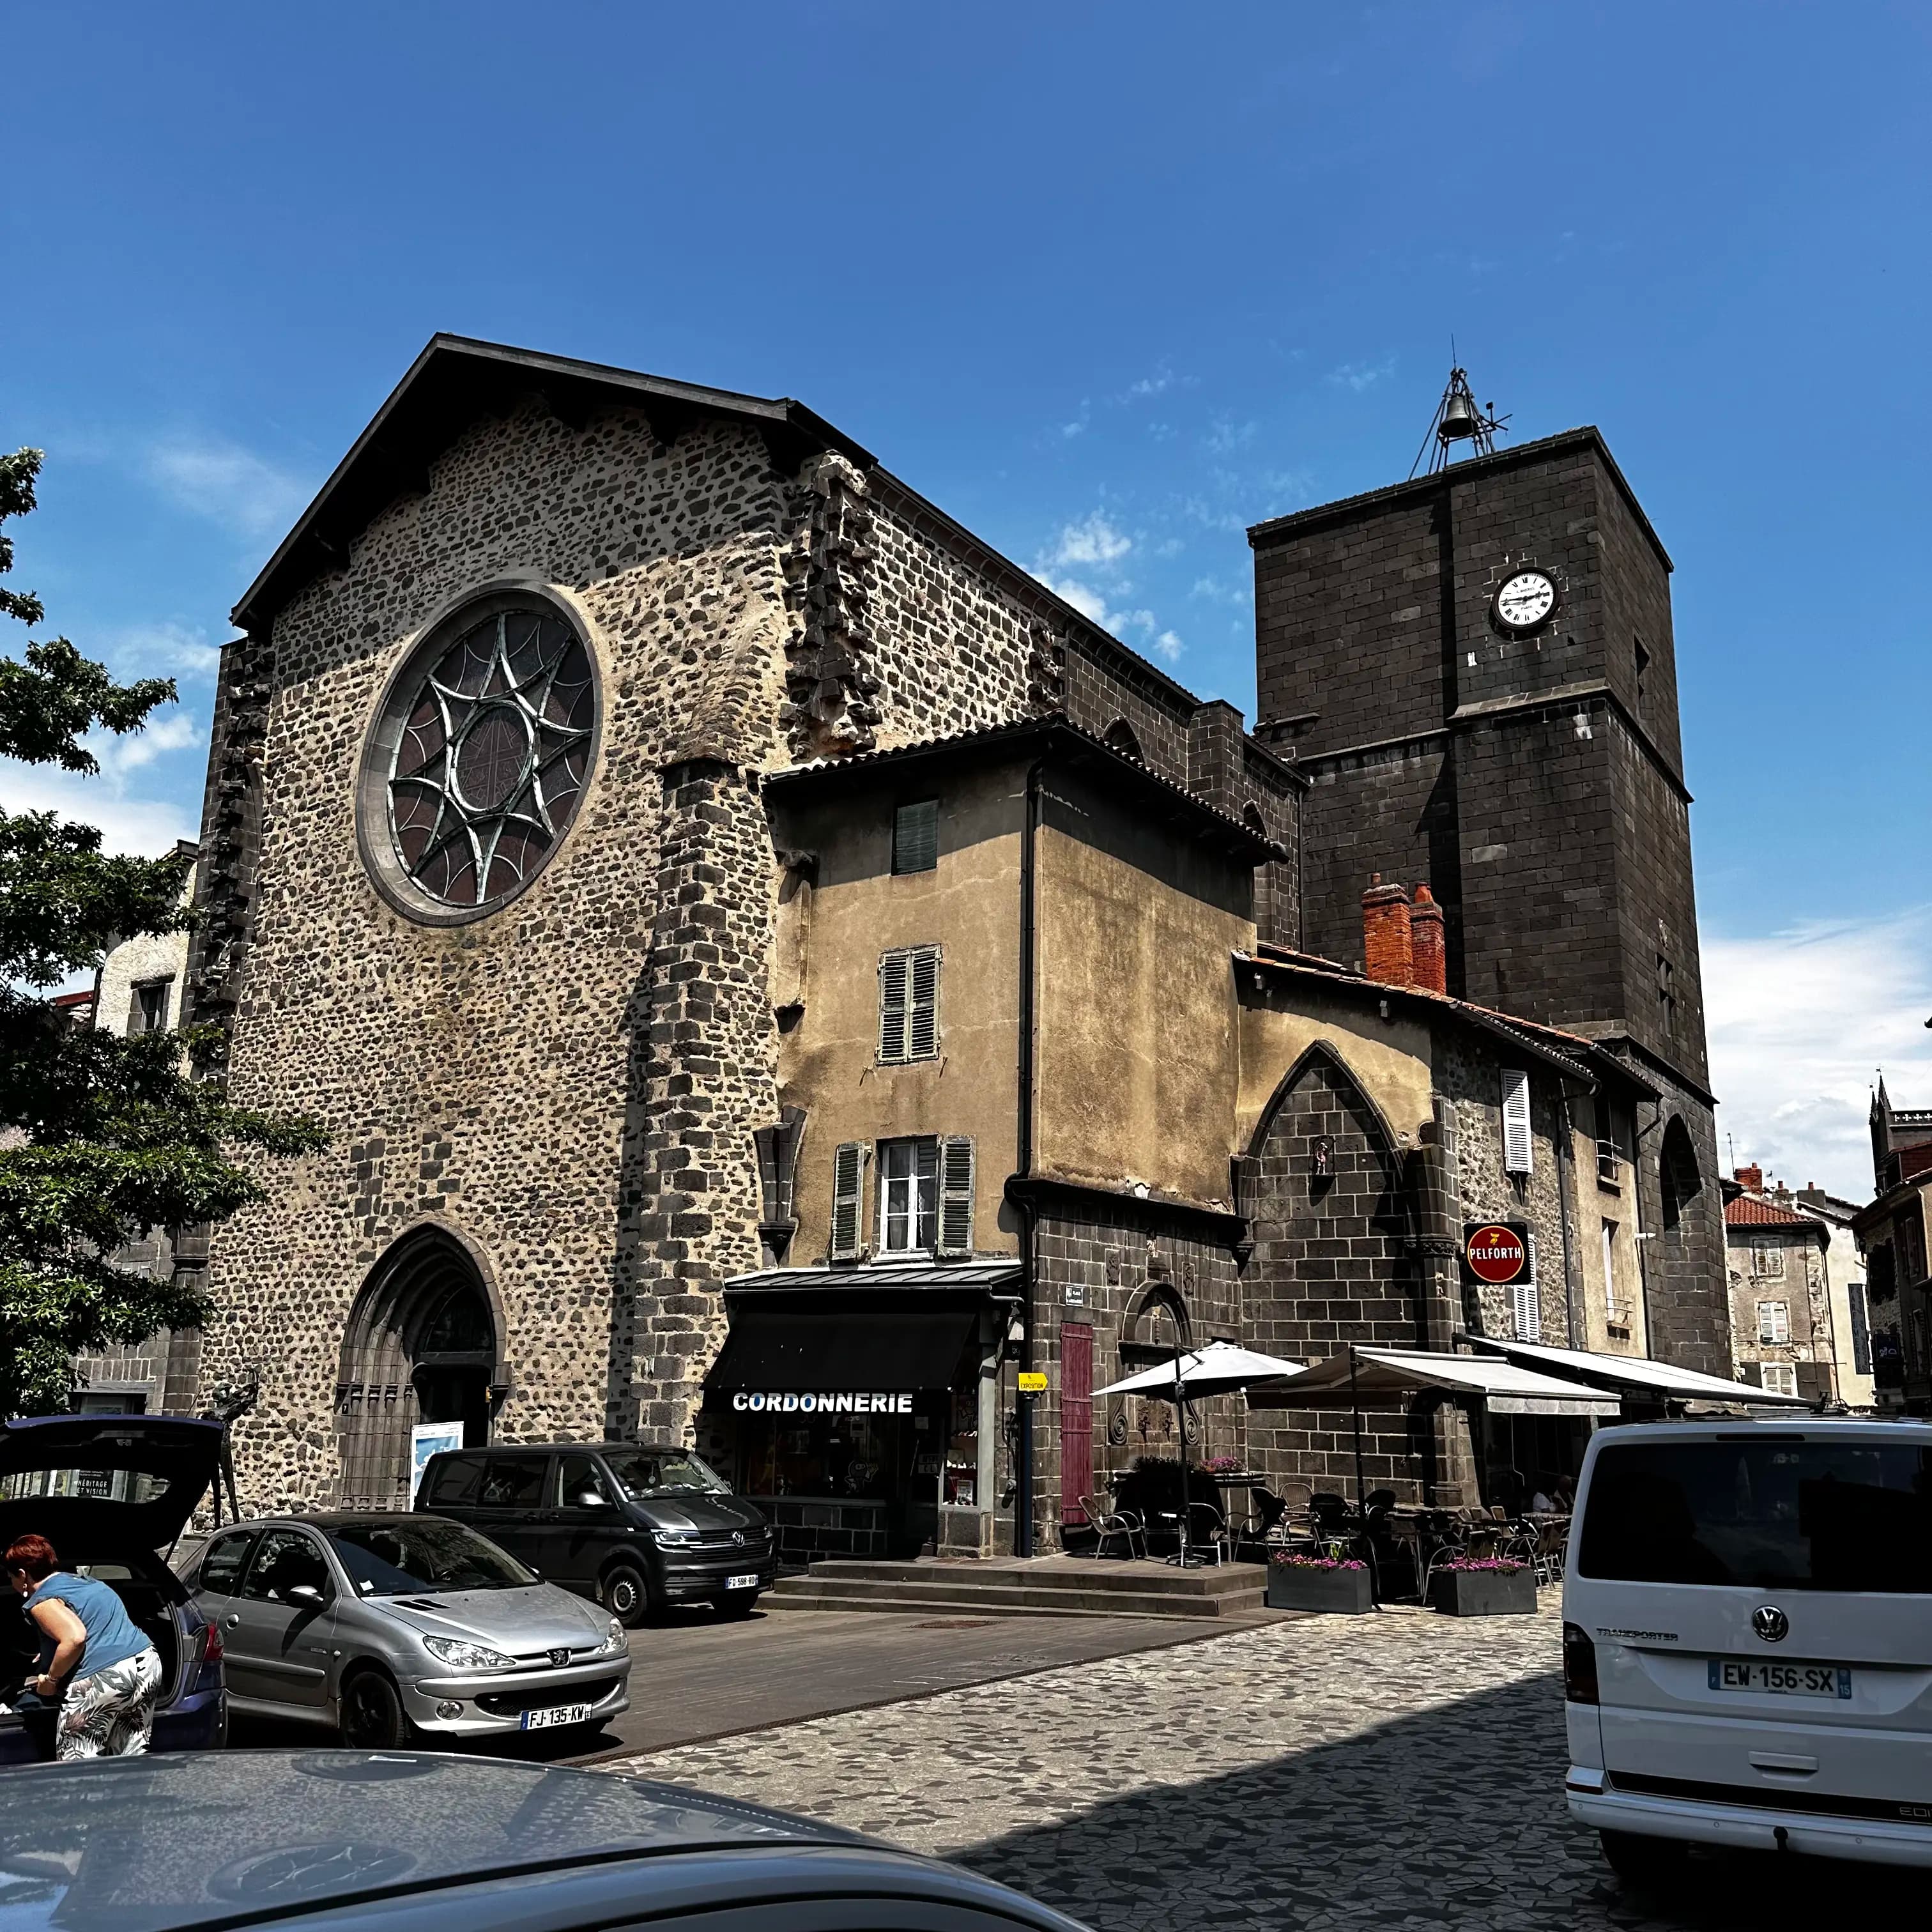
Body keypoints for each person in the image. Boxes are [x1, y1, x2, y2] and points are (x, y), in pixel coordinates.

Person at [5, 1533, 162, 1759]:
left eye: (11, 1577)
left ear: (22, 1575)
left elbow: (75, 1638)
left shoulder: (42, 1600)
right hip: (147, 1664)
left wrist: (51, 1680)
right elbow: (94, 1624)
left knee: (78, 1762)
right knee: (129, 1756)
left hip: (105, 1678)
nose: (13, 1583)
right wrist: (52, 1651)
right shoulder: (88, 1583)